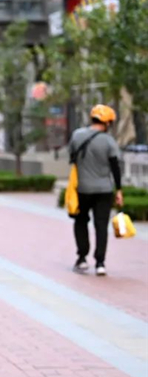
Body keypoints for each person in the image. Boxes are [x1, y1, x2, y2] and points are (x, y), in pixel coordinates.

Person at [69, 104, 123, 276]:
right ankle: (100, 263)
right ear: (107, 123)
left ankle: (82, 258)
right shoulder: (109, 141)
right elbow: (115, 167)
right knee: (101, 225)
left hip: (82, 188)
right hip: (104, 190)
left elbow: (72, 158)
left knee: (81, 221)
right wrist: (119, 190)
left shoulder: (77, 135)